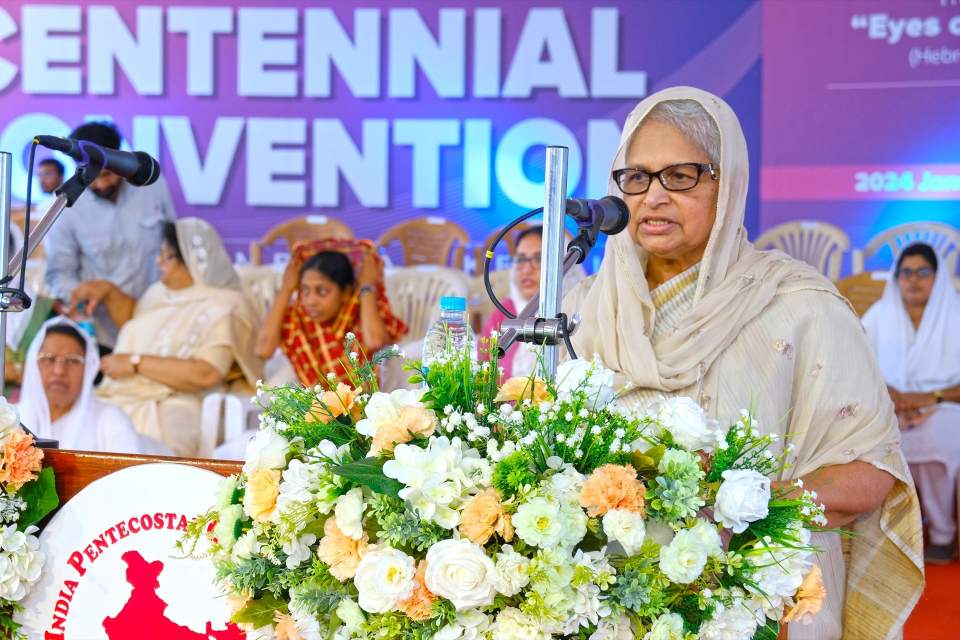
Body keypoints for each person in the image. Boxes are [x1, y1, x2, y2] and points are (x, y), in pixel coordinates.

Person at [562, 87, 922, 638]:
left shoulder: (800, 307)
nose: (653, 197)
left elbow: (870, 474)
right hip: (595, 598)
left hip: (751, 600)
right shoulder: (581, 308)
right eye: (635, 177)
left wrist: (735, 508)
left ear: (726, 184)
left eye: (680, 175)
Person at [71, 218, 262, 457]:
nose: (159, 261)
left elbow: (207, 372)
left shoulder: (225, 305)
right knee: (78, 438)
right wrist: (108, 291)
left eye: (168, 256)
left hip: (178, 402)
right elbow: (143, 325)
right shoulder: (159, 293)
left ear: (193, 260)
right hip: (120, 394)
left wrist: (136, 363)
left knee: (156, 460)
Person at [863, 243, 960, 564]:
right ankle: (900, 531)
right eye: (906, 272)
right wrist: (890, 394)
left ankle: (942, 531)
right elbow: (856, 363)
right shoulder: (879, 315)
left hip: (945, 405)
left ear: (937, 276)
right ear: (897, 277)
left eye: (922, 272)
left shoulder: (954, 315)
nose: (913, 280)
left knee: (940, 432)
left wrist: (931, 398)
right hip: (888, 407)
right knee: (875, 436)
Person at [44, 121, 177, 348]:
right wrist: (83, 295)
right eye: (90, 175)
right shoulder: (66, 206)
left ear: (120, 159)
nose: (100, 183)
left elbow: (175, 245)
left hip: (159, 322)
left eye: (107, 173)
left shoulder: (152, 185)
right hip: (103, 335)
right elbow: (59, 275)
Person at [256, 239, 407, 388]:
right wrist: (286, 289)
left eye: (322, 291)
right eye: (305, 291)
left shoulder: (363, 311)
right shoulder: (299, 318)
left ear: (346, 292)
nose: (311, 301)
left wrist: (366, 286)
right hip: (315, 409)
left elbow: (375, 341)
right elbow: (263, 350)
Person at [18, 317, 170, 454]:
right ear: (32, 365)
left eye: (72, 360)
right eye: (49, 359)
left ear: (88, 369)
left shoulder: (110, 420)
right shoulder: (11, 420)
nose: (59, 371)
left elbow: (128, 479)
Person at [481, 226, 584, 377]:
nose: (527, 269)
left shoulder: (579, 311)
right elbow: (481, 367)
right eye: (521, 259)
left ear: (563, 265)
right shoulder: (505, 311)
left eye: (538, 259)